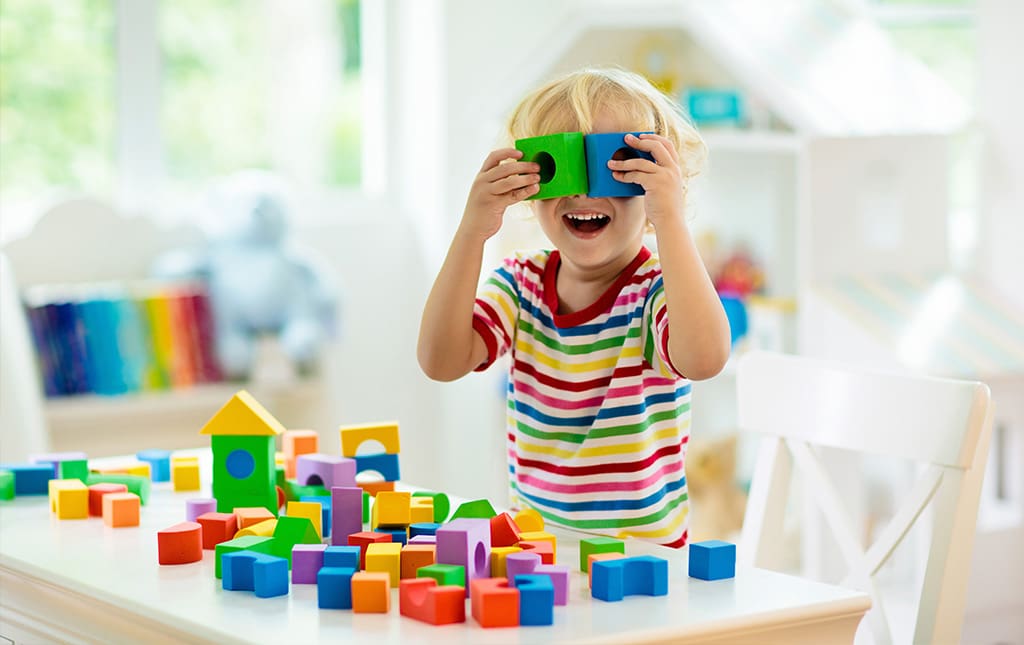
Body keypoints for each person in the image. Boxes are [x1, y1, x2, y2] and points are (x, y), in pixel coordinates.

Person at [417, 67, 730, 547]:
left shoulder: (653, 295)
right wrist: (472, 231)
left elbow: (704, 359)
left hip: (641, 560)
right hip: (538, 550)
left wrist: (669, 219)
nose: (584, 192)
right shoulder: (520, 287)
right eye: (558, 167)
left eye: (618, 167)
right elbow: (440, 361)